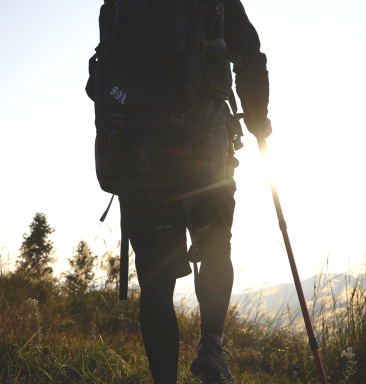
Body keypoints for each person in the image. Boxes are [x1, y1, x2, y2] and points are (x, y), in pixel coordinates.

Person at [88, 1, 270, 382]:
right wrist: (257, 120)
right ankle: (211, 347)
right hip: (205, 150)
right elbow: (249, 53)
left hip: (138, 153)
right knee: (216, 247)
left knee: (156, 283)